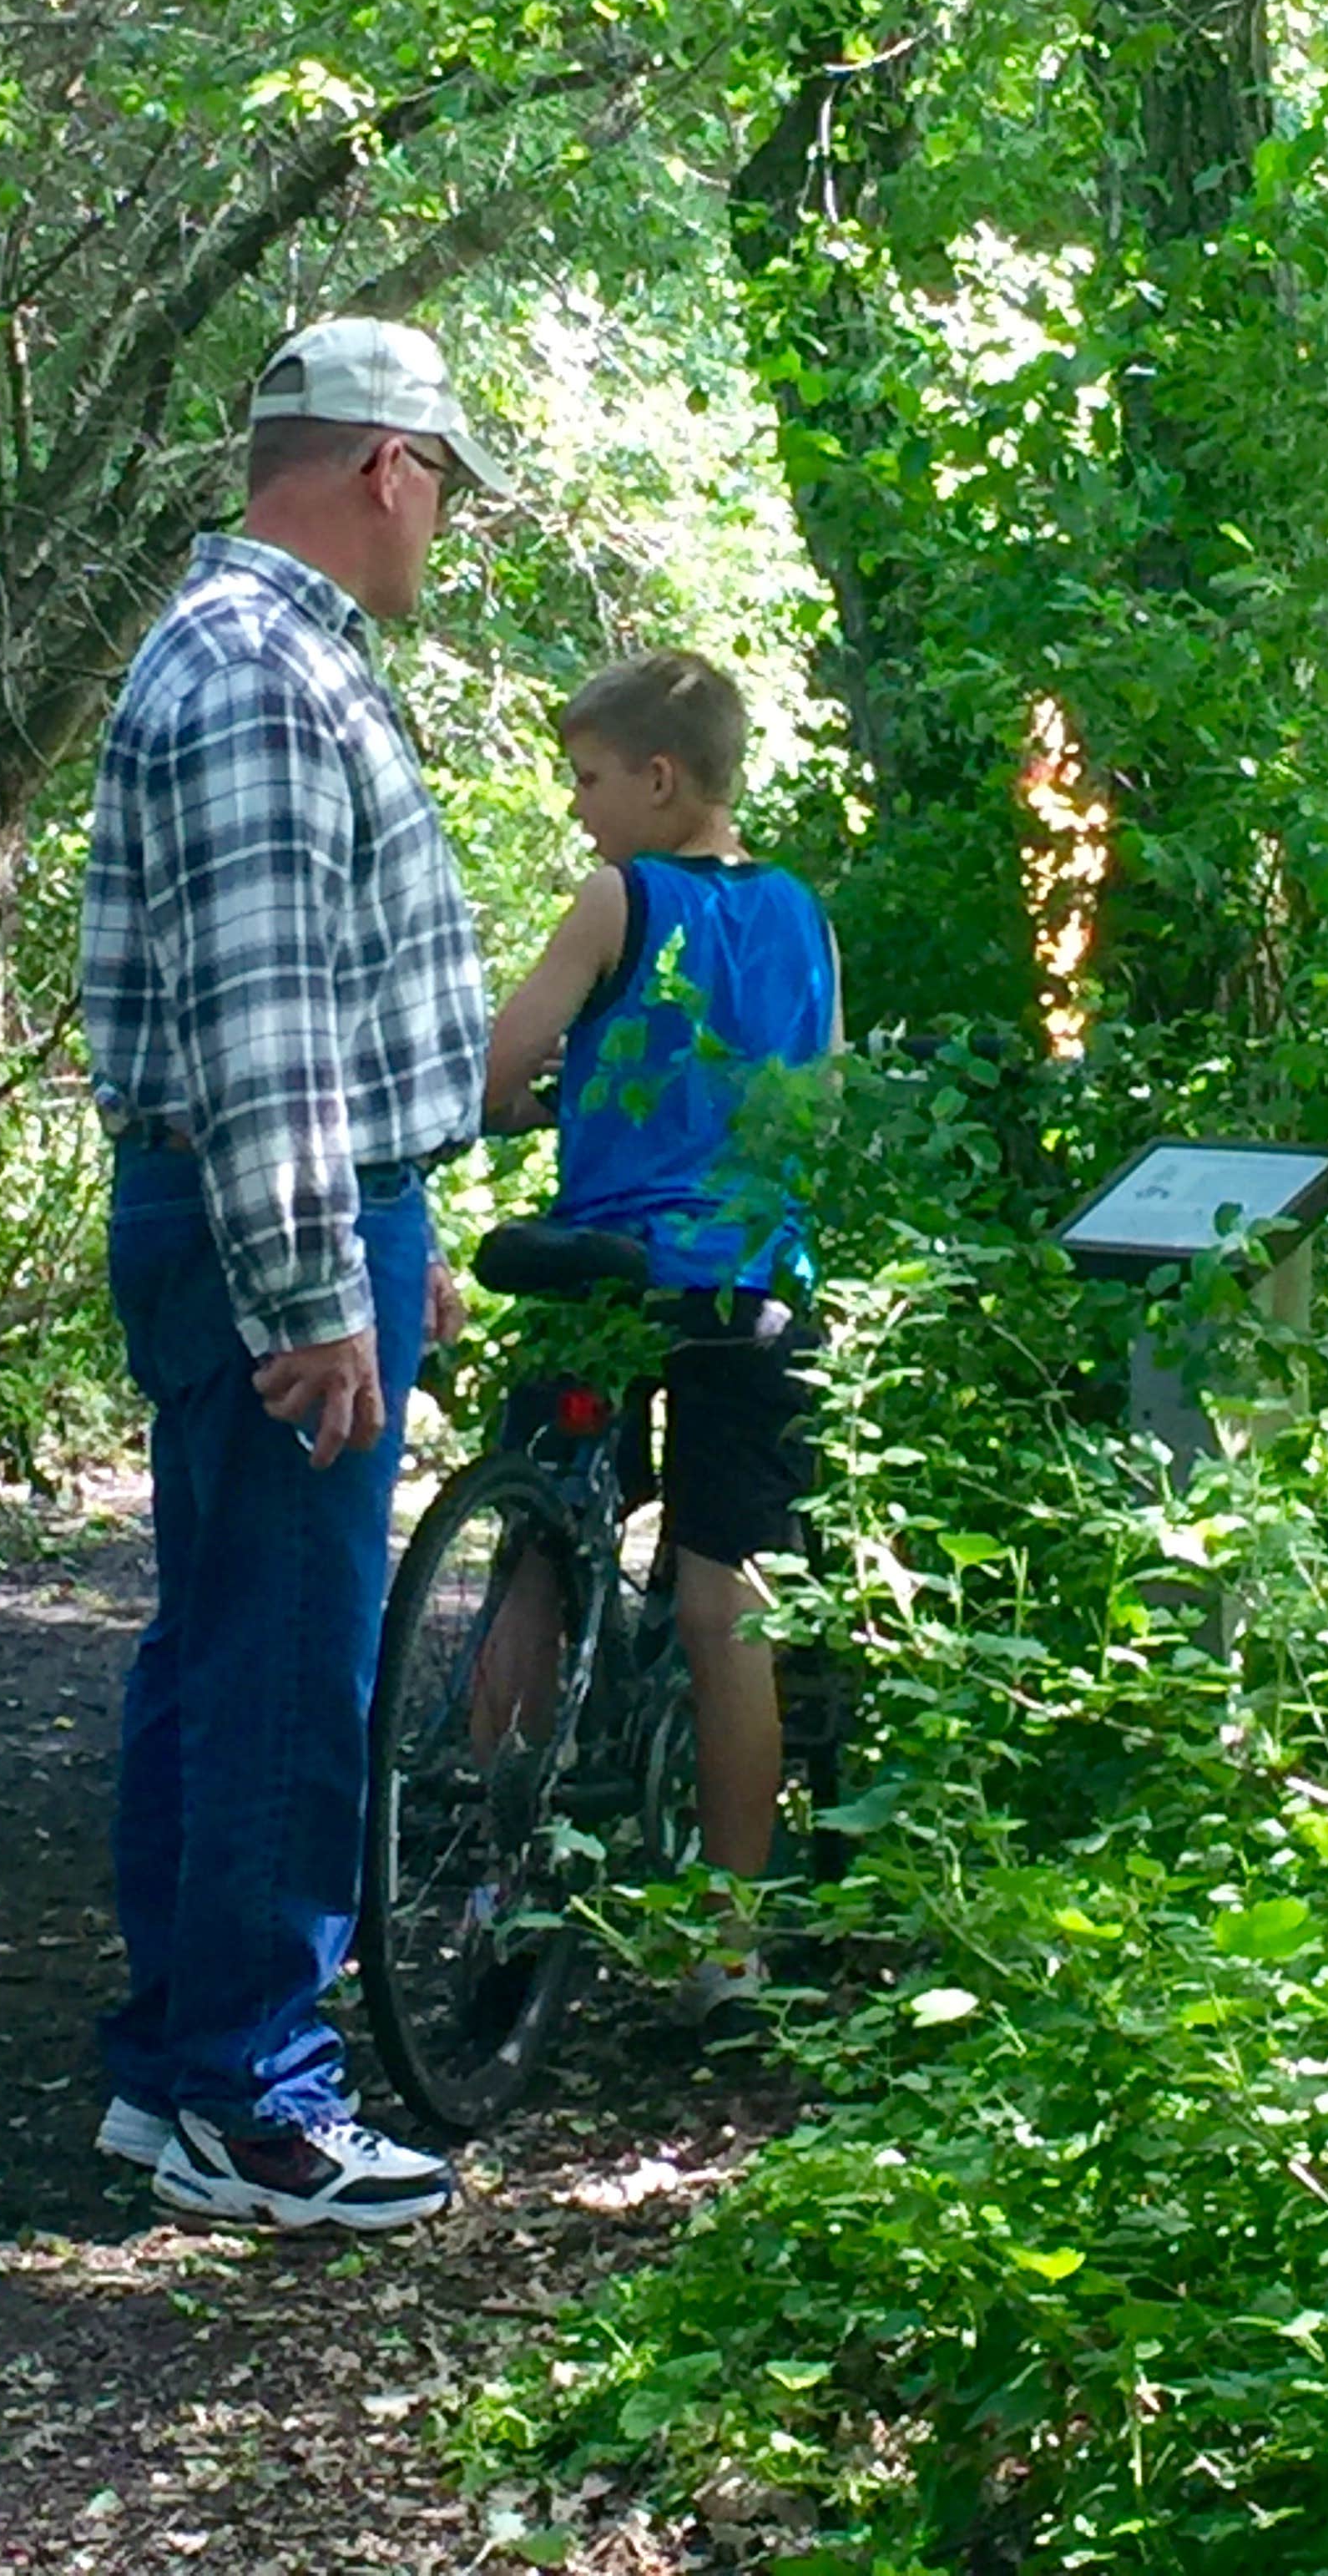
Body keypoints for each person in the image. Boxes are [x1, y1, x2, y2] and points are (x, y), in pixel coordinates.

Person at [78, 316, 513, 2232]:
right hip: (275, 1212)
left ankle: (182, 2061)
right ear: (385, 469)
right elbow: (262, 1032)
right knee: (283, 1660)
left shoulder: (261, 656)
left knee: (223, 1637)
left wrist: (376, 1239)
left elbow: (314, 1011)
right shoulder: (262, 676)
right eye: (443, 496)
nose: (442, 538)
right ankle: (252, 2099)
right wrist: (317, 1283)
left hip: (302, 1206)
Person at [482, 650, 841, 2029]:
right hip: (755, 1283)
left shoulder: (620, 898)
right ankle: (728, 1940)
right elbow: (820, 1100)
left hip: (613, 1277)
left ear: (658, 778)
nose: (578, 811)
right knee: (725, 1597)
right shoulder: (806, 916)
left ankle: (504, 1875)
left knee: (533, 1558)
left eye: (586, 781)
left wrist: (533, 1107)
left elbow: (504, 1067)